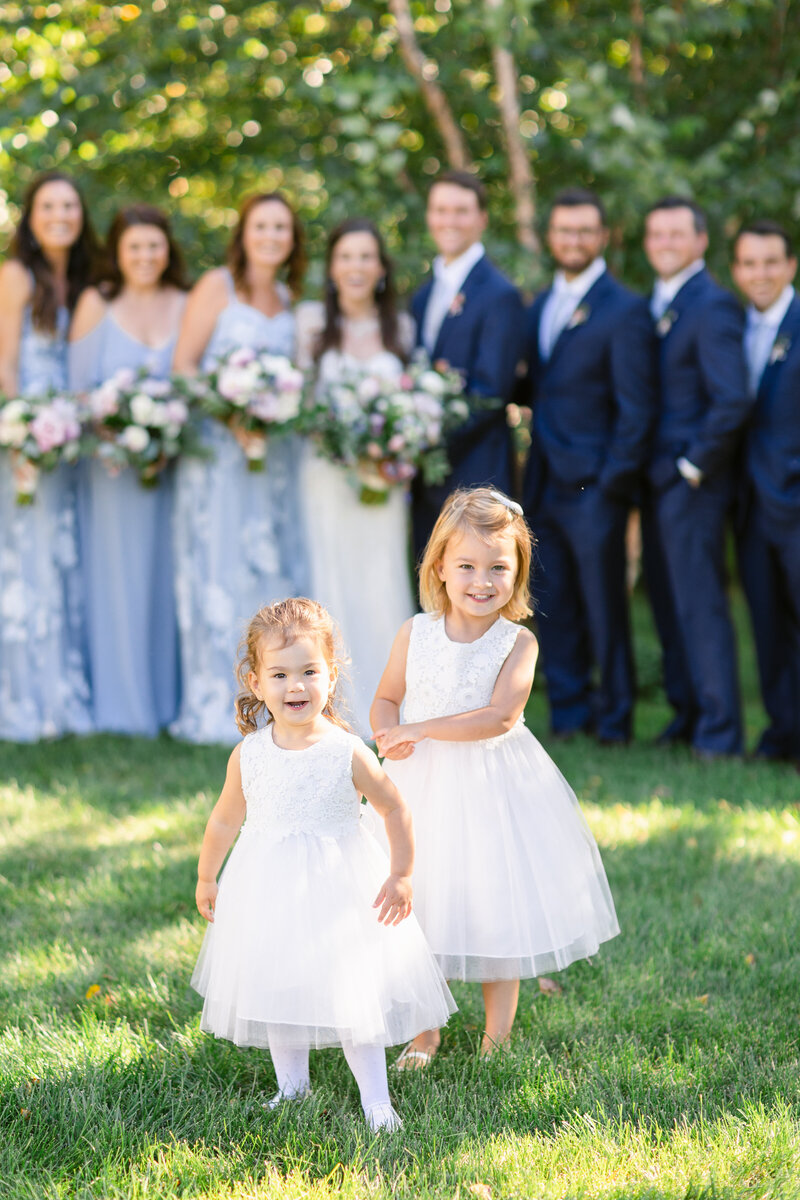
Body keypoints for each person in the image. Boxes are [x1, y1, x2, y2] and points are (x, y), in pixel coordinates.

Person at [371, 488, 619, 1065]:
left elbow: (499, 717)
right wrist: (388, 734)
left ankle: (496, 1035)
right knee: (421, 901)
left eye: (498, 568)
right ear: (440, 567)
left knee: (493, 905)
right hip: (420, 784)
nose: (482, 581)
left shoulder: (518, 642)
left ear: (518, 572)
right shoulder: (415, 633)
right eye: (467, 566)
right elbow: (386, 698)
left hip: (493, 788)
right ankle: (424, 1029)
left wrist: (421, 728)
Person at [191, 597, 455, 1131]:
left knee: (352, 993)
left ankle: (376, 1100)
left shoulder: (345, 750)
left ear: (331, 677)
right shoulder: (249, 754)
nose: (296, 686)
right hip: (268, 889)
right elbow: (224, 819)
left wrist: (401, 873)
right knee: (278, 987)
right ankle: (292, 1087)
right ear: (256, 680)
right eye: (281, 674)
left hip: (342, 889)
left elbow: (393, 807)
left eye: (310, 672)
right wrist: (206, 873)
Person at [170, 191, 308, 744]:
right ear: (243, 233)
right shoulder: (215, 287)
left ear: (293, 239)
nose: (271, 236)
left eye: (282, 227)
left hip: (272, 461)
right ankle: (215, 703)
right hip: (221, 458)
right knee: (220, 569)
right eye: (261, 226)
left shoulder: (290, 299)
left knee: (269, 569)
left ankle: (274, 699)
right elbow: (183, 365)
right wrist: (230, 413)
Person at [521, 189, 656, 745]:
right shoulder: (539, 305)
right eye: (564, 230)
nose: (573, 240)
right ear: (551, 236)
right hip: (544, 479)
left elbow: (637, 407)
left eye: (584, 231)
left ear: (602, 237)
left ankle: (616, 719)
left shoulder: (624, 309)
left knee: (604, 606)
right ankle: (570, 713)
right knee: (553, 602)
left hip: (593, 484)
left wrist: (609, 484)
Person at [68, 205, 189, 736]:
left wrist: (167, 437)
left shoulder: (186, 304)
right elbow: (76, 393)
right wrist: (115, 435)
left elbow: (193, 386)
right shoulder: (98, 302)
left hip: (172, 471)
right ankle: (121, 707)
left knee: (167, 581)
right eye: (134, 246)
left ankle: (166, 702)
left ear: (168, 250)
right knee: (117, 581)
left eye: (154, 245)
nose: (145, 256)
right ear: (117, 251)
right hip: (110, 472)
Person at [641, 196, 752, 758]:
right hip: (660, 483)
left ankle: (720, 733)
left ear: (701, 241)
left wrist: (691, 466)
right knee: (669, 602)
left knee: (701, 607)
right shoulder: (660, 302)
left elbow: (732, 399)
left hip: (695, 486)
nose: (664, 242)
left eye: (676, 233)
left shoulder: (713, 305)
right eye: (655, 233)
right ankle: (687, 715)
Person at [295, 218, 415, 735]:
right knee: (331, 580)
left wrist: (391, 449)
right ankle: (331, 705)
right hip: (325, 475)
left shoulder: (402, 329)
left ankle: (391, 702)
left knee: (382, 577)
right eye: (346, 257)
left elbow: (413, 403)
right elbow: (298, 404)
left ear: (382, 268)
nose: (356, 267)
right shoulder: (310, 324)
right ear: (332, 267)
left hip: (382, 482)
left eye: (367, 257)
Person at [0, 170, 99, 740]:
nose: (60, 215)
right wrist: (20, 433)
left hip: (69, 442)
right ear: (31, 218)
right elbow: (6, 362)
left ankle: (63, 700)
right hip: (30, 444)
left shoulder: (81, 281)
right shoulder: (16, 274)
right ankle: (24, 703)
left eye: (69, 205)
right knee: (29, 561)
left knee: (64, 562)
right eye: (48, 206)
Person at [410, 171, 526, 557]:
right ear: (428, 216)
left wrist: (419, 433)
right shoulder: (423, 295)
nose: (450, 221)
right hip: (425, 479)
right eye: (441, 210)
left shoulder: (499, 295)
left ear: (482, 220)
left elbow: (490, 393)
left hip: (475, 474)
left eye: (461, 211)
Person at [731, 220, 800, 771]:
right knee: (769, 627)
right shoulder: (734, 326)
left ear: (790, 266)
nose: (761, 273)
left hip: (796, 503)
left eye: (770, 262)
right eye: (750, 264)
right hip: (750, 506)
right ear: (736, 271)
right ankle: (782, 732)